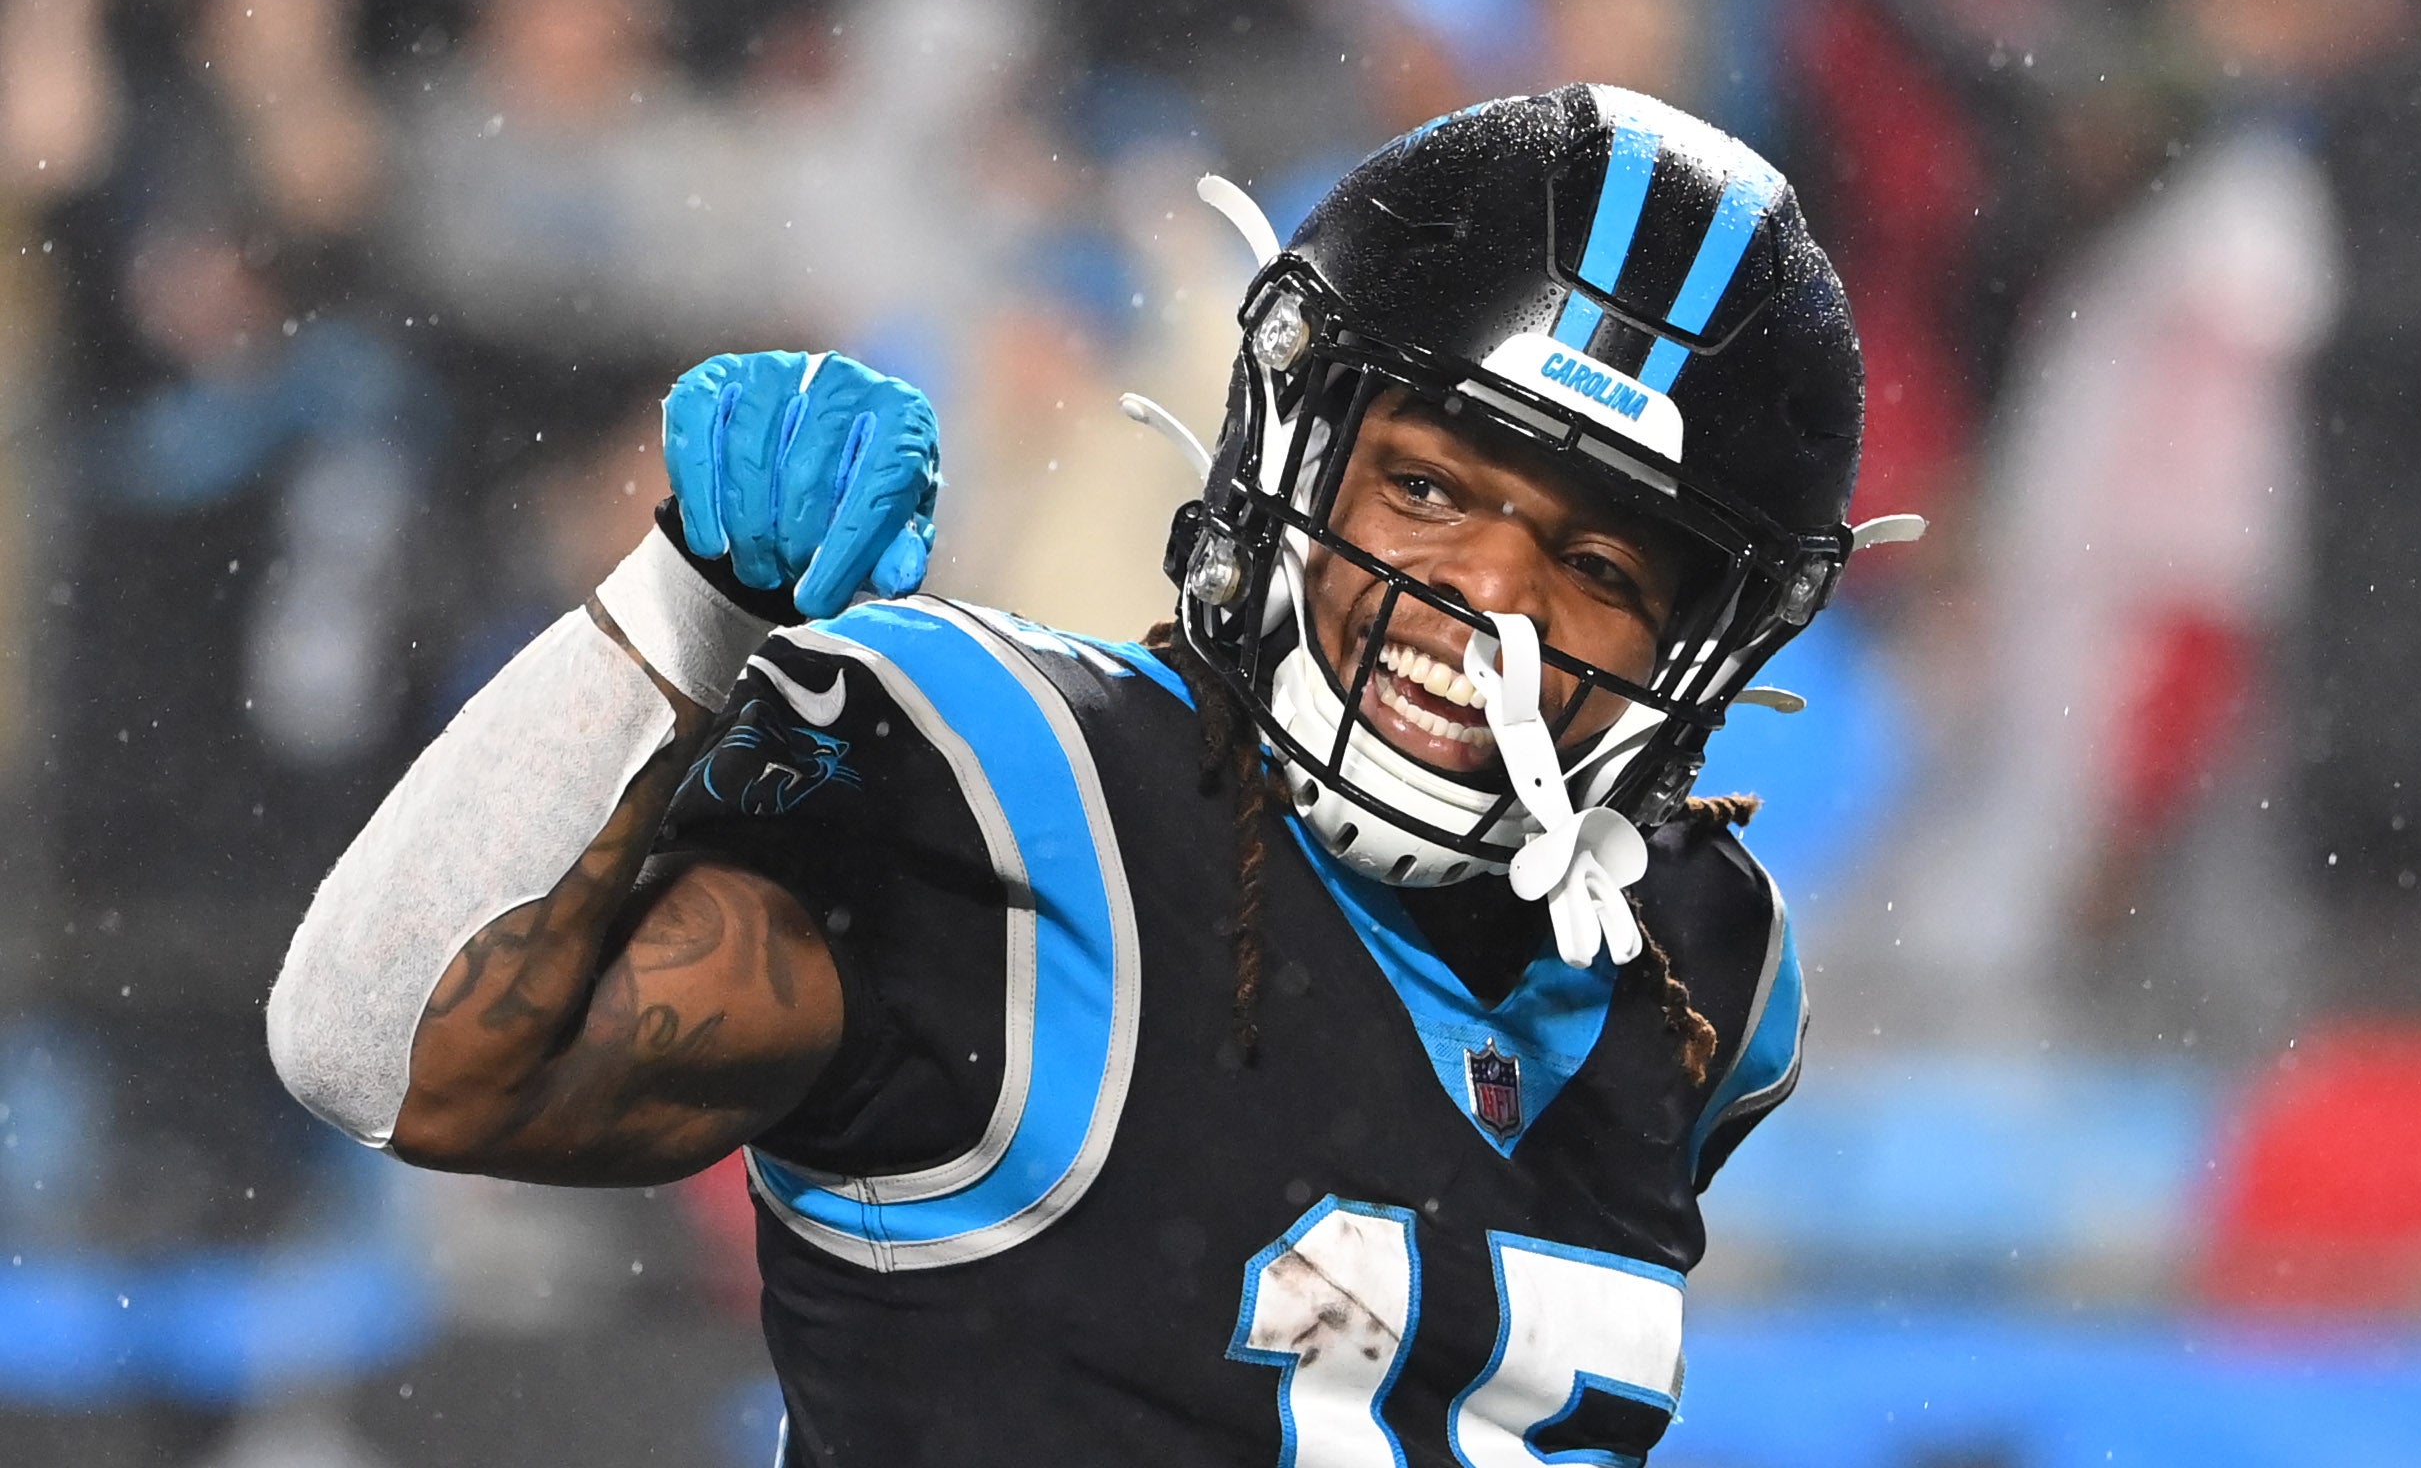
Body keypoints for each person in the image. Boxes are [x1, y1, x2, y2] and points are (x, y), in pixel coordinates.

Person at [267, 84, 1884, 1465]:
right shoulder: (1013, 794)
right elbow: (383, 1052)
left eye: (1598, 565)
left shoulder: (1705, 965)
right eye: (1428, 489)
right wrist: (686, 609)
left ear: (1709, 636)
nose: (1490, 607)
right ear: (1295, 449)